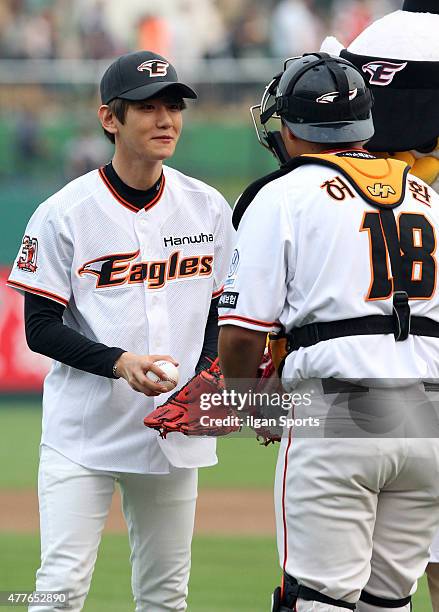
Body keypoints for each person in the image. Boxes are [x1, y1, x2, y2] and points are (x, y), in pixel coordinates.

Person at [7, 50, 233, 612]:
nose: (166, 120)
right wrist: (119, 361)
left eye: (173, 106)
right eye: (147, 107)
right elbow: (39, 329)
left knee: (164, 596)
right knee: (58, 591)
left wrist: (204, 378)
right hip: (83, 433)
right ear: (110, 118)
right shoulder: (65, 212)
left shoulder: (206, 207)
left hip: (173, 431)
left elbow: (221, 313)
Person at [218, 52, 439, 611]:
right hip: (431, 415)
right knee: (386, 603)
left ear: (289, 128)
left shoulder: (283, 196)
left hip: (339, 407)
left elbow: (242, 335)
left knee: (317, 600)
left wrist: (251, 406)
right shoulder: (428, 197)